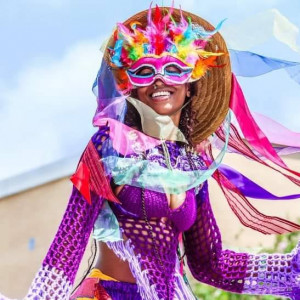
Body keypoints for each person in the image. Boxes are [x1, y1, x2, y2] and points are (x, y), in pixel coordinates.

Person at [1, 5, 300, 300]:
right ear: (130, 85)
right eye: (145, 71)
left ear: (190, 84)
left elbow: (211, 265)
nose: (159, 79)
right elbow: (69, 243)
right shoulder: (110, 145)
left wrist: (290, 270)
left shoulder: (192, 163)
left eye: (173, 68)